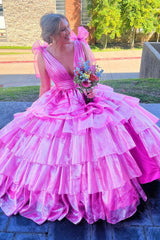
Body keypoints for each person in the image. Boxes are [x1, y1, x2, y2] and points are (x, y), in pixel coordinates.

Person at [0, 13, 160, 225]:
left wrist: (90, 88)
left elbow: (92, 74)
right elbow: (45, 88)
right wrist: (37, 111)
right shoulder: (43, 55)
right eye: (62, 30)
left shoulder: (80, 46)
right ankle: (72, 192)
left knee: (110, 133)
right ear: (51, 35)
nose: (69, 33)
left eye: (68, 27)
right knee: (61, 149)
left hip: (89, 96)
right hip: (60, 101)